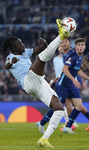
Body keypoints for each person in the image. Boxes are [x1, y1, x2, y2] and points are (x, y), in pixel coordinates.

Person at [0, 19, 70, 148]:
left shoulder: (25, 52)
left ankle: (44, 139)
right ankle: (61, 36)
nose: (22, 45)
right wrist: (12, 62)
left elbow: (42, 49)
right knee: (42, 58)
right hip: (28, 81)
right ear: (14, 48)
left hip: (38, 83)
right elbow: (7, 64)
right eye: (19, 45)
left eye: (21, 43)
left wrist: (44, 43)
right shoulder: (10, 57)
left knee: (59, 109)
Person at [37, 38, 89, 134]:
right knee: (58, 107)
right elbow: (65, 69)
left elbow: (78, 70)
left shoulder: (80, 57)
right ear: (75, 46)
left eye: (82, 45)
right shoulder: (72, 55)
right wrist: (73, 80)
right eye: (79, 45)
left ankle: (68, 127)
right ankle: (41, 123)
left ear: (85, 47)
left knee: (79, 106)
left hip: (71, 85)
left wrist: (88, 79)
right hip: (63, 84)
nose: (81, 47)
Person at [56, 38, 89, 134]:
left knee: (70, 104)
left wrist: (83, 80)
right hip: (68, 81)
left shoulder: (71, 55)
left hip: (70, 82)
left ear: (69, 44)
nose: (63, 45)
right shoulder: (65, 56)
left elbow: (76, 70)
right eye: (61, 44)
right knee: (77, 105)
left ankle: (69, 124)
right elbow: (77, 69)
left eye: (65, 43)